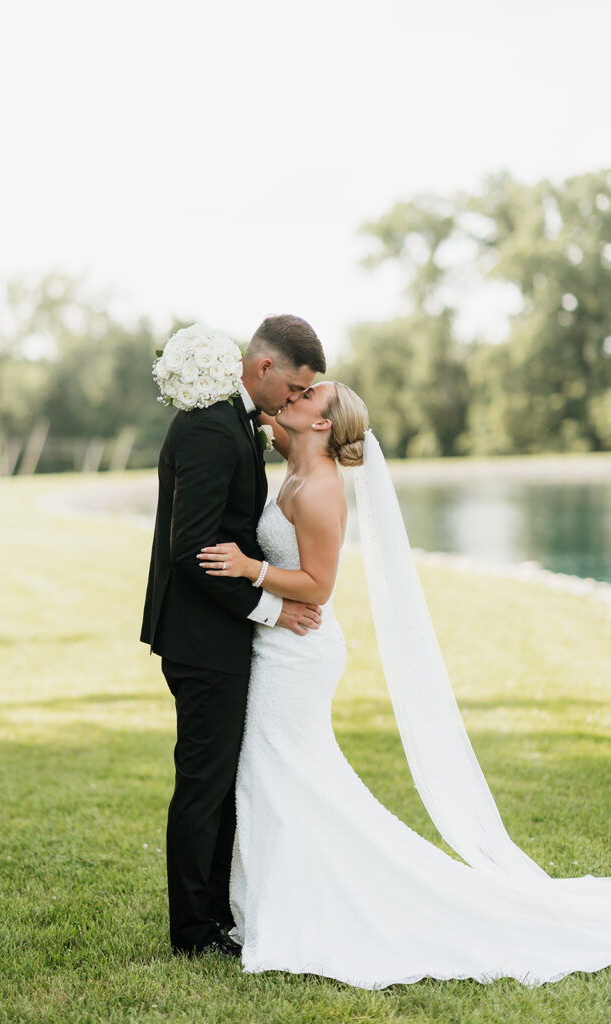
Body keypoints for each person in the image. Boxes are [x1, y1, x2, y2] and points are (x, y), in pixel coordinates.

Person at [198, 380, 611, 989]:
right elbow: (265, 421)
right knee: (277, 774)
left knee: (280, 772)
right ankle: (283, 896)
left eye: (308, 394)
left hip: (298, 653)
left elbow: (319, 585)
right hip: (277, 643)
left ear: (323, 423)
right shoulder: (295, 463)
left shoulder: (319, 488)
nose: (295, 394)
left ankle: (302, 903)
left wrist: (249, 567)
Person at [140, 314, 326, 957]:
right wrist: (271, 608)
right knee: (204, 783)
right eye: (294, 388)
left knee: (221, 781)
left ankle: (218, 913)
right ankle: (194, 934)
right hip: (201, 637)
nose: (294, 401)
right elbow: (191, 549)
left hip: (216, 633)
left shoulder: (238, 420)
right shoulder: (210, 427)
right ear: (265, 367)